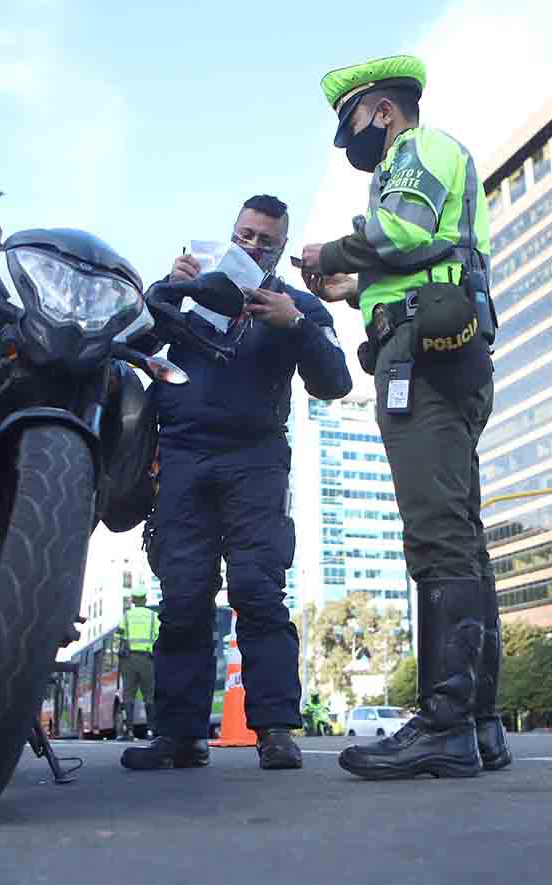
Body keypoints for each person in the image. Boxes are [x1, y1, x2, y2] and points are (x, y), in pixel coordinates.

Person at [298, 55, 511, 779]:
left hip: (421, 356)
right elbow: (423, 254)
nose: (350, 142)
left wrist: (330, 250)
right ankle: (478, 722)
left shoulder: (415, 150)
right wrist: (356, 286)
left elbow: (402, 230)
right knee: (461, 531)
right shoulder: (439, 153)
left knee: (436, 532)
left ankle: (444, 725)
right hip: (447, 346)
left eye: (352, 124)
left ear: (382, 111)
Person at [122, 194, 352, 772]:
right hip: (181, 456)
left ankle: (275, 731)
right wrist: (166, 291)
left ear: (279, 249)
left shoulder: (294, 305)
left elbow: (335, 382)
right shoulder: (190, 291)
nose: (251, 247)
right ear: (232, 232)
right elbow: (133, 345)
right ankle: (178, 736)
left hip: (255, 460)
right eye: (245, 235)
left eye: (265, 242)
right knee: (182, 597)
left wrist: (295, 325)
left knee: (257, 590)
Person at [118, 588, 158, 739]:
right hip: (148, 660)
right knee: (150, 695)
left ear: (133, 601)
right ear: (145, 600)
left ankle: (128, 731)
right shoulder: (154, 617)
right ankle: (150, 730)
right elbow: (159, 637)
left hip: (129, 660)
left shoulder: (127, 617)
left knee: (128, 695)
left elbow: (119, 637)